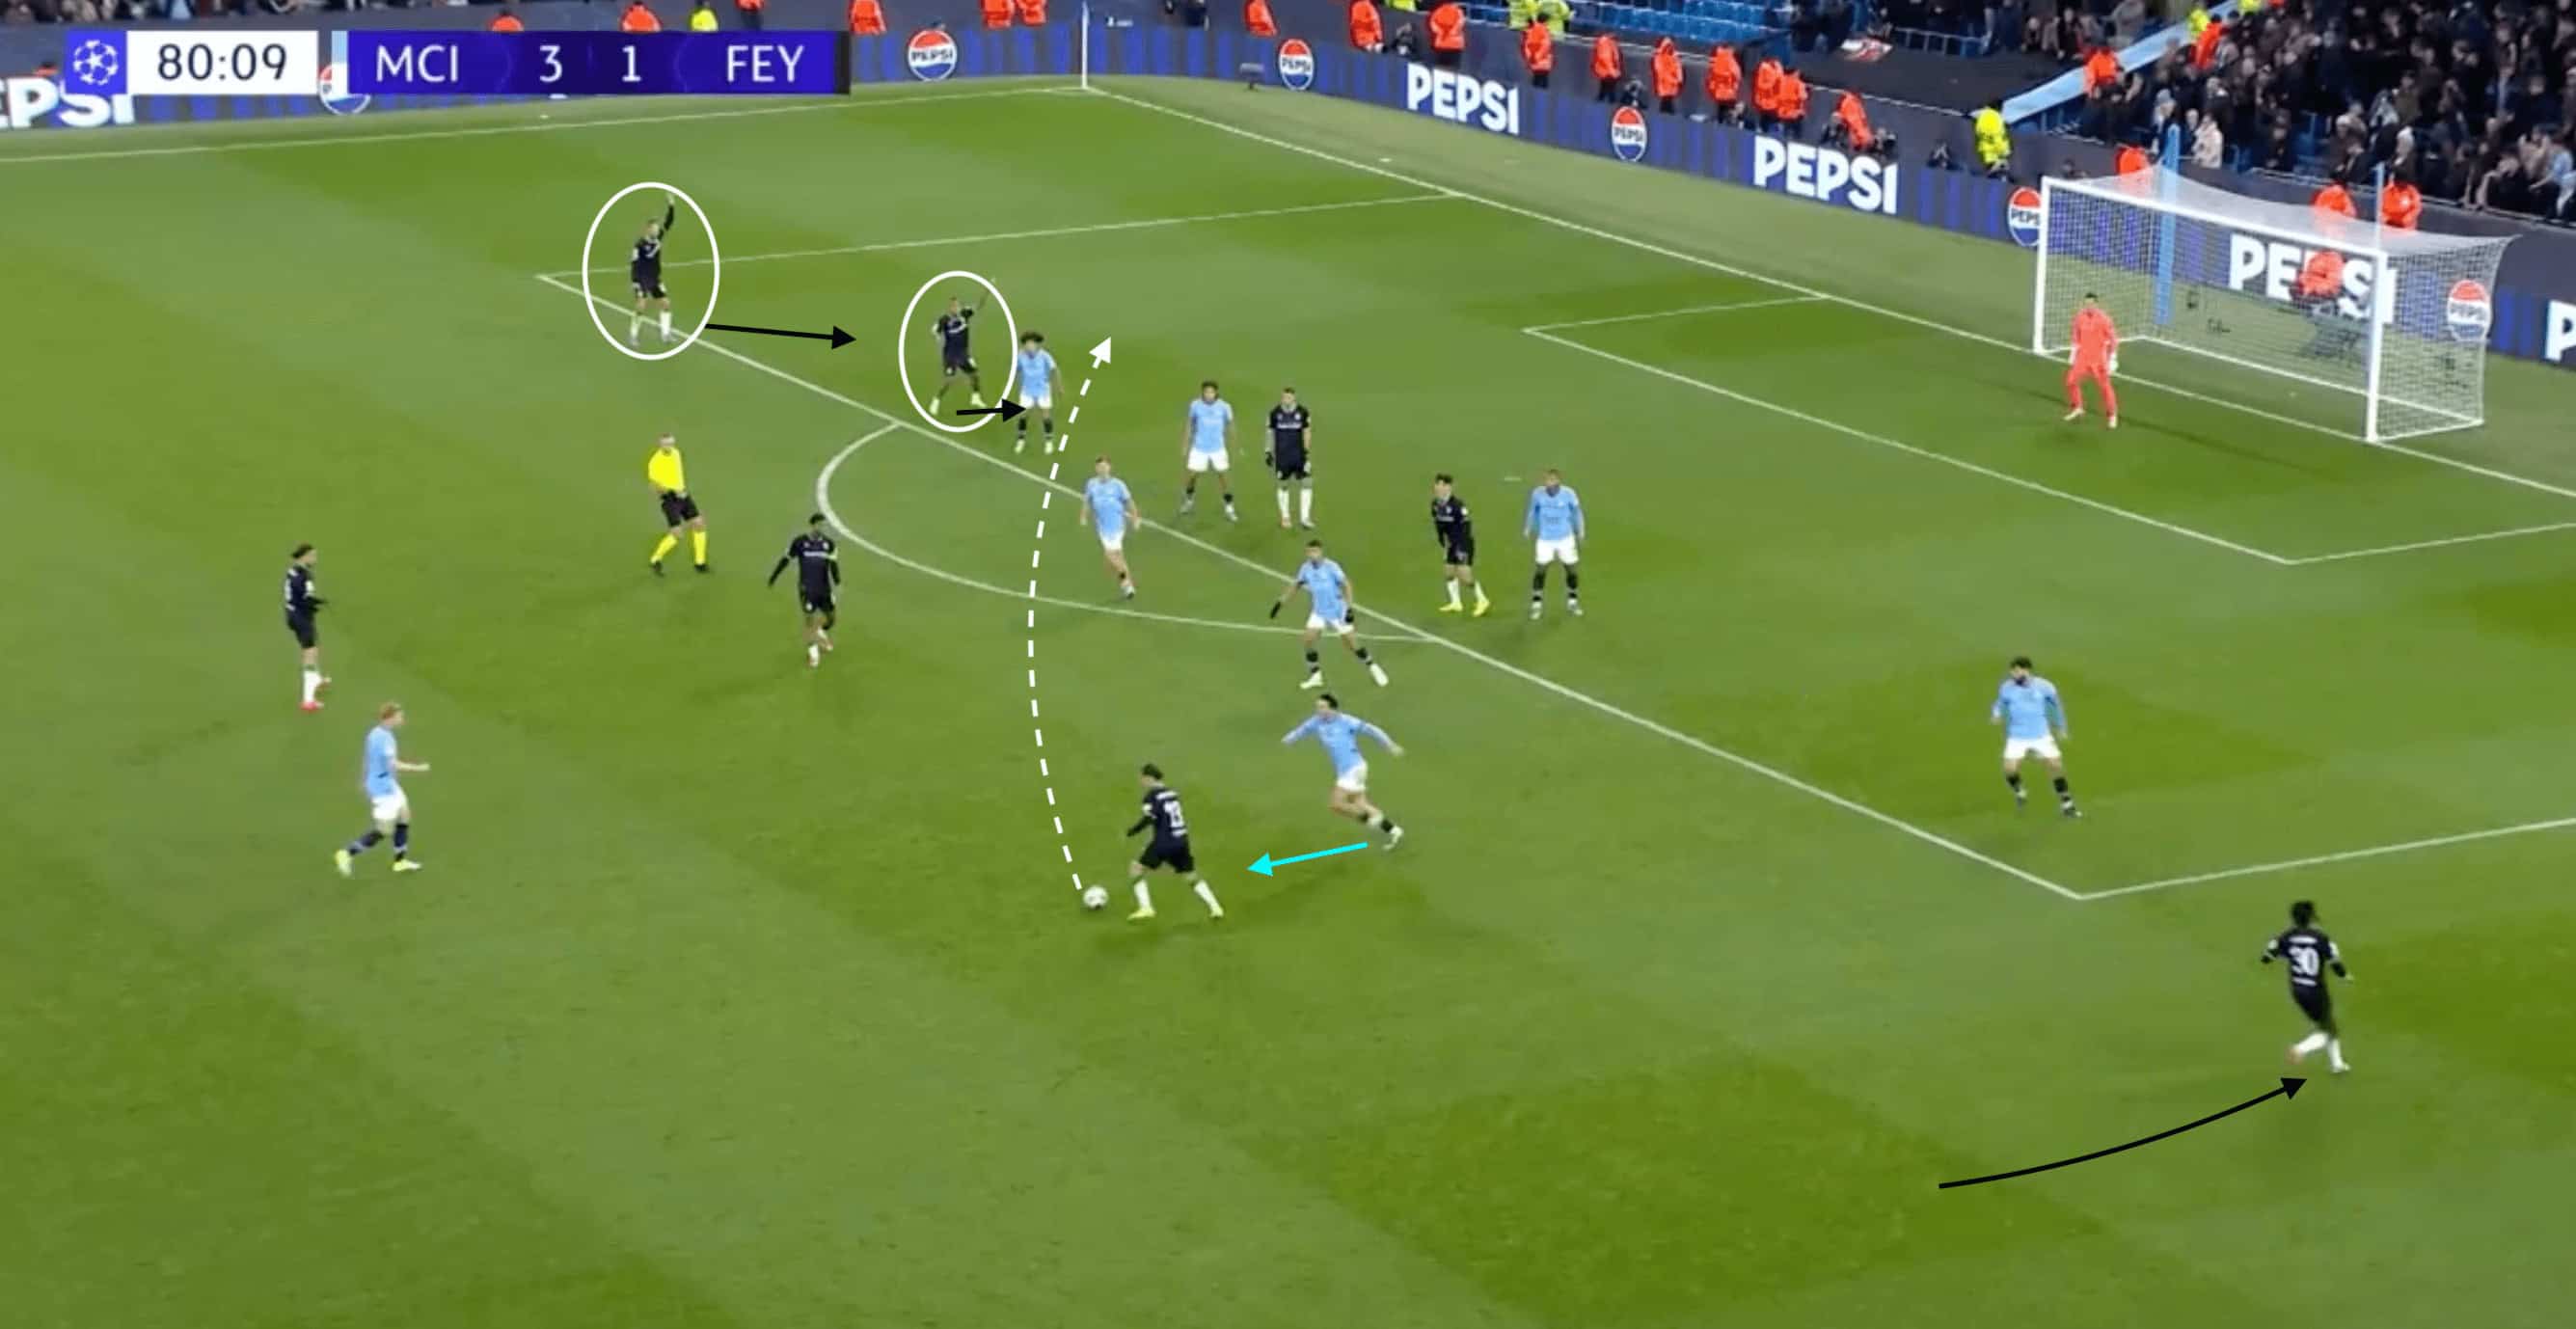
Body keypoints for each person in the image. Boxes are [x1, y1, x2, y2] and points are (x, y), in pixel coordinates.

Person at [1281, 694, 1405, 848]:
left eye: (1322, 707)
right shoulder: (1316, 721)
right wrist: (1290, 738)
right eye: (1318, 707)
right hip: (1346, 770)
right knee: (1360, 802)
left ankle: (1371, 820)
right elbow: (1303, 730)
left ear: (1333, 708)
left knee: (1336, 804)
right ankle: (1393, 830)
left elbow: (1372, 730)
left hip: (1353, 768)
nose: (1319, 710)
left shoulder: (1346, 721)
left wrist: (1390, 745)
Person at [1270, 540, 1390, 689]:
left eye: (1314, 551)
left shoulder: (1331, 567)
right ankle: (1316, 675)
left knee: (1352, 644)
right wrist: (1280, 602)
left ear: (1321, 552)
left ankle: (1373, 667)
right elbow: (1296, 585)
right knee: (1308, 640)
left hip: (1337, 611)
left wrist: (1349, 608)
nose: (1312, 555)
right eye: (1309, 552)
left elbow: (1346, 585)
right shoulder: (1305, 568)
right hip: (1319, 611)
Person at [334, 702, 429, 877]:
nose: (402, 719)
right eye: (399, 716)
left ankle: (399, 862)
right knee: (384, 830)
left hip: (388, 785)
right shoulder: (385, 740)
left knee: (404, 816)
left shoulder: (374, 733)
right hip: (383, 790)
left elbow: (369, 759)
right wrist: (418, 768)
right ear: (390, 718)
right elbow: (394, 765)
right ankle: (346, 853)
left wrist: (364, 779)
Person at [2261, 900, 2352, 1073]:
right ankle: (2300, 1049)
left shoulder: (2285, 937)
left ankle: (2338, 1065)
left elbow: (2267, 957)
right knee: (2329, 1031)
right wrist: (2345, 975)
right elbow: (2335, 962)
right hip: (2316, 990)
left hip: (2297, 989)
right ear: (2311, 918)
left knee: (2328, 1024)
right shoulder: (2321, 938)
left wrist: (2280, 951)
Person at [1124, 764, 1223, 921]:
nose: (1141, 782)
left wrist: (1132, 831)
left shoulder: (1151, 796)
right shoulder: (1172, 793)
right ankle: (1215, 907)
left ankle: (1146, 908)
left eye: (1142, 778)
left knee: (1136, 869)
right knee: (1191, 876)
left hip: (1164, 842)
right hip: (1181, 839)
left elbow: (1149, 818)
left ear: (1149, 778)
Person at [1990, 655, 2078, 818]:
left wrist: (2061, 727)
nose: (2013, 674)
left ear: (2026, 670)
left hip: (2040, 734)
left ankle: (2067, 804)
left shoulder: (2045, 686)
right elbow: (1999, 703)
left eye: (2017, 671)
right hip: (2017, 735)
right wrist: (1996, 713)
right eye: (2012, 671)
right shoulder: (2007, 687)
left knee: (2055, 766)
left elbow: (2057, 706)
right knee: (2009, 770)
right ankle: (2020, 790)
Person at [766, 512, 841, 668]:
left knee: (831, 619)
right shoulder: (799, 542)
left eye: (825, 525)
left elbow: (833, 565)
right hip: (807, 588)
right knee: (809, 619)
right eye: (820, 525)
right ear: (812, 525)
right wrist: (774, 576)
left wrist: (838, 583)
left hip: (824, 588)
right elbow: (786, 559)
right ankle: (813, 653)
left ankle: (818, 631)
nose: (823, 528)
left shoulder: (829, 544)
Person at [1523, 468, 1585, 618]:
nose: (1547, 483)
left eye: (1551, 480)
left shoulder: (1569, 493)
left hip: (1565, 538)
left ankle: (1573, 601)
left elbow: (1577, 512)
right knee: (1541, 570)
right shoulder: (1538, 494)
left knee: (1571, 570)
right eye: (1546, 480)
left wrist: (1581, 530)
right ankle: (1536, 604)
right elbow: (1532, 511)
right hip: (1545, 539)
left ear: (1558, 481)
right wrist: (1528, 528)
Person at [646, 433, 711, 575]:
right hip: (669, 499)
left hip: (683, 495)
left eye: (671, 443)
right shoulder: (655, 462)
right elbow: (655, 486)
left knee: (699, 524)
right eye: (666, 444)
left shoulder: (676, 453)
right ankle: (655, 559)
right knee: (677, 534)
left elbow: (677, 475)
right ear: (660, 444)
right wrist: (671, 490)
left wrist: (681, 489)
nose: (669, 446)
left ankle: (700, 563)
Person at [1080, 456, 1141, 600]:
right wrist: (1083, 515)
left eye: (1104, 466)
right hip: (1102, 527)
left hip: (1117, 525)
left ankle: (1126, 582)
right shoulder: (1091, 484)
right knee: (1117, 557)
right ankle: (1127, 585)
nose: (1102, 469)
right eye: (1099, 467)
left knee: (1110, 556)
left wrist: (1135, 518)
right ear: (1096, 469)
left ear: (1109, 468)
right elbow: (1087, 501)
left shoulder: (1118, 485)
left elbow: (1129, 502)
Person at [1430, 474, 1489, 615]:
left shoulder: (1457, 505)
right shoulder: (1435, 504)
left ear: (1449, 487)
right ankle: (1456, 603)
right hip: (1450, 543)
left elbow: (1466, 527)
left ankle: (1482, 600)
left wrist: (1459, 546)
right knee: (1449, 572)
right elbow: (1438, 524)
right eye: (1437, 484)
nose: (1438, 487)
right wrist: (1443, 542)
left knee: (1465, 577)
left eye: (1442, 485)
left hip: (1462, 543)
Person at [1179, 380, 1237, 522]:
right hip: (1199, 447)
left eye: (1211, 392)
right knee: (1192, 476)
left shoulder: (1224, 407)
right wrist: (1185, 444)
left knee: (1223, 477)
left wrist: (1234, 443)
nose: (1209, 394)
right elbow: (1189, 425)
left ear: (1216, 393)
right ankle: (1189, 499)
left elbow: (1230, 424)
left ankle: (1229, 507)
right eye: (1206, 392)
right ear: (1202, 393)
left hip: (1218, 448)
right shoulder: (1195, 405)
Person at [284, 543, 331, 713]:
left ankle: (316, 679)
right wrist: (319, 603)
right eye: (313, 556)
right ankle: (308, 700)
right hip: (301, 617)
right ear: (305, 556)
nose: (315, 559)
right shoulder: (305, 576)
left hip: (292, 614)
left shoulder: (292, 570)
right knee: (310, 653)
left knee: (311, 649)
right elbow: (306, 599)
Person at [629, 193, 679, 347]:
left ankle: (666, 334)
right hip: (642, 280)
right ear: (648, 229)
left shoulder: (658, 239)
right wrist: (635, 282)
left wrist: (671, 205)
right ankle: (633, 335)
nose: (657, 231)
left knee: (665, 304)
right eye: (654, 229)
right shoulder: (639, 245)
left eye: (657, 229)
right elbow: (634, 264)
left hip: (654, 279)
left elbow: (669, 222)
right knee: (641, 306)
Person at [2063, 291, 2119, 429]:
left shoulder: (2104, 319)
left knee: (2105, 388)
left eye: (2091, 304)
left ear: (2096, 304)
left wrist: (2113, 357)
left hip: (2098, 360)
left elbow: (2113, 339)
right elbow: (2076, 334)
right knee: (2070, 382)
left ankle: (2112, 415)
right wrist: (2073, 352)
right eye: (2087, 304)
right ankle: (2078, 407)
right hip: (2082, 358)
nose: (2089, 306)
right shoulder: (2080, 317)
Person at [926, 295, 988, 416]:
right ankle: (936, 400)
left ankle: (975, 398)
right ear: (950, 308)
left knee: (974, 374)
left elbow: (978, 305)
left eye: (957, 305)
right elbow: (935, 330)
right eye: (953, 306)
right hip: (951, 354)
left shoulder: (964, 314)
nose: (955, 308)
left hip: (963, 353)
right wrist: (937, 335)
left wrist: (986, 293)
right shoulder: (944, 320)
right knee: (949, 380)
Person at [1267, 387, 1315, 529]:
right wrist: (1268, 451)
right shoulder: (1275, 413)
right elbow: (1270, 433)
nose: (1286, 400)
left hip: (1299, 455)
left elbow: (1307, 431)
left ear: (1294, 398)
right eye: (1284, 397)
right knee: (1283, 485)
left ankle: (1305, 518)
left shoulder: (1302, 412)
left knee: (1307, 482)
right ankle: (1285, 517)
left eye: (1289, 397)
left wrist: (1306, 451)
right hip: (1282, 456)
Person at [1012, 332, 1060, 455]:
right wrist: (1016, 383)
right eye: (1028, 344)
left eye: (1032, 344)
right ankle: (1021, 440)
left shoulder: (1045, 356)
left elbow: (1054, 370)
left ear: (1037, 345)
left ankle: (1049, 442)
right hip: (1027, 390)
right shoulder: (1020, 356)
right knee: (1023, 415)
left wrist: (1059, 387)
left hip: (1043, 390)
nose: (1030, 346)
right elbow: (1015, 370)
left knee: (1046, 416)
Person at [1704, 41, 1742, 124]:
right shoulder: (1731, 60)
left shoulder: (1717, 57)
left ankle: (1719, 122)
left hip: (1718, 90)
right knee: (1728, 110)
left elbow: (1710, 73)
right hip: (1729, 91)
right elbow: (1737, 75)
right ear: (1730, 48)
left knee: (1720, 109)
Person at [1427, 1, 1465, 68]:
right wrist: (1452, 31)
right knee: (1454, 69)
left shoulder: (1438, 11)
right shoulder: (1458, 11)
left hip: (1441, 43)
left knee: (1440, 68)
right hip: (1455, 45)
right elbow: (1459, 24)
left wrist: (1440, 32)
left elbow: (1433, 23)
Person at [1651, 37, 1683, 115]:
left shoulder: (1674, 57)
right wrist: (1675, 80)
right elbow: (1662, 72)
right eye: (1668, 46)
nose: (1670, 48)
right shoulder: (1659, 57)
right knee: (1665, 103)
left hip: (1672, 87)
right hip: (1665, 86)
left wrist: (1679, 79)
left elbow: (1678, 69)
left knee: (1668, 103)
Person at [1520, 16, 1553, 89]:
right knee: (1542, 83)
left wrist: (1530, 59)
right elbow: (1545, 46)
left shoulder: (1528, 32)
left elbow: (1524, 47)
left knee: (1536, 82)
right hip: (1542, 63)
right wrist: (1536, 58)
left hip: (1535, 63)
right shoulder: (1543, 31)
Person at [1590, 30, 1620, 102]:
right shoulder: (1606, 43)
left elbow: (1615, 57)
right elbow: (1606, 57)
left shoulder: (1611, 43)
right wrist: (1613, 70)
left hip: (1608, 68)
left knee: (1607, 83)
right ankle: (1608, 98)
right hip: (1607, 68)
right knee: (1608, 83)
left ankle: (1604, 97)